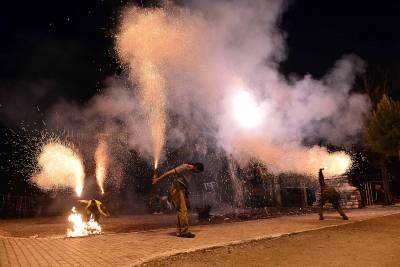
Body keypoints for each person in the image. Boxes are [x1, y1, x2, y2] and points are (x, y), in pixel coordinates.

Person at [152, 162, 204, 238]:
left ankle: (180, 231)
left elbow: (185, 182)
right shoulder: (185, 167)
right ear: (196, 167)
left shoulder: (190, 171)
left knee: (183, 209)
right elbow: (170, 172)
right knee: (183, 210)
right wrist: (158, 179)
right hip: (177, 189)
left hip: (182, 190)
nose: (197, 173)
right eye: (198, 171)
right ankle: (184, 232)